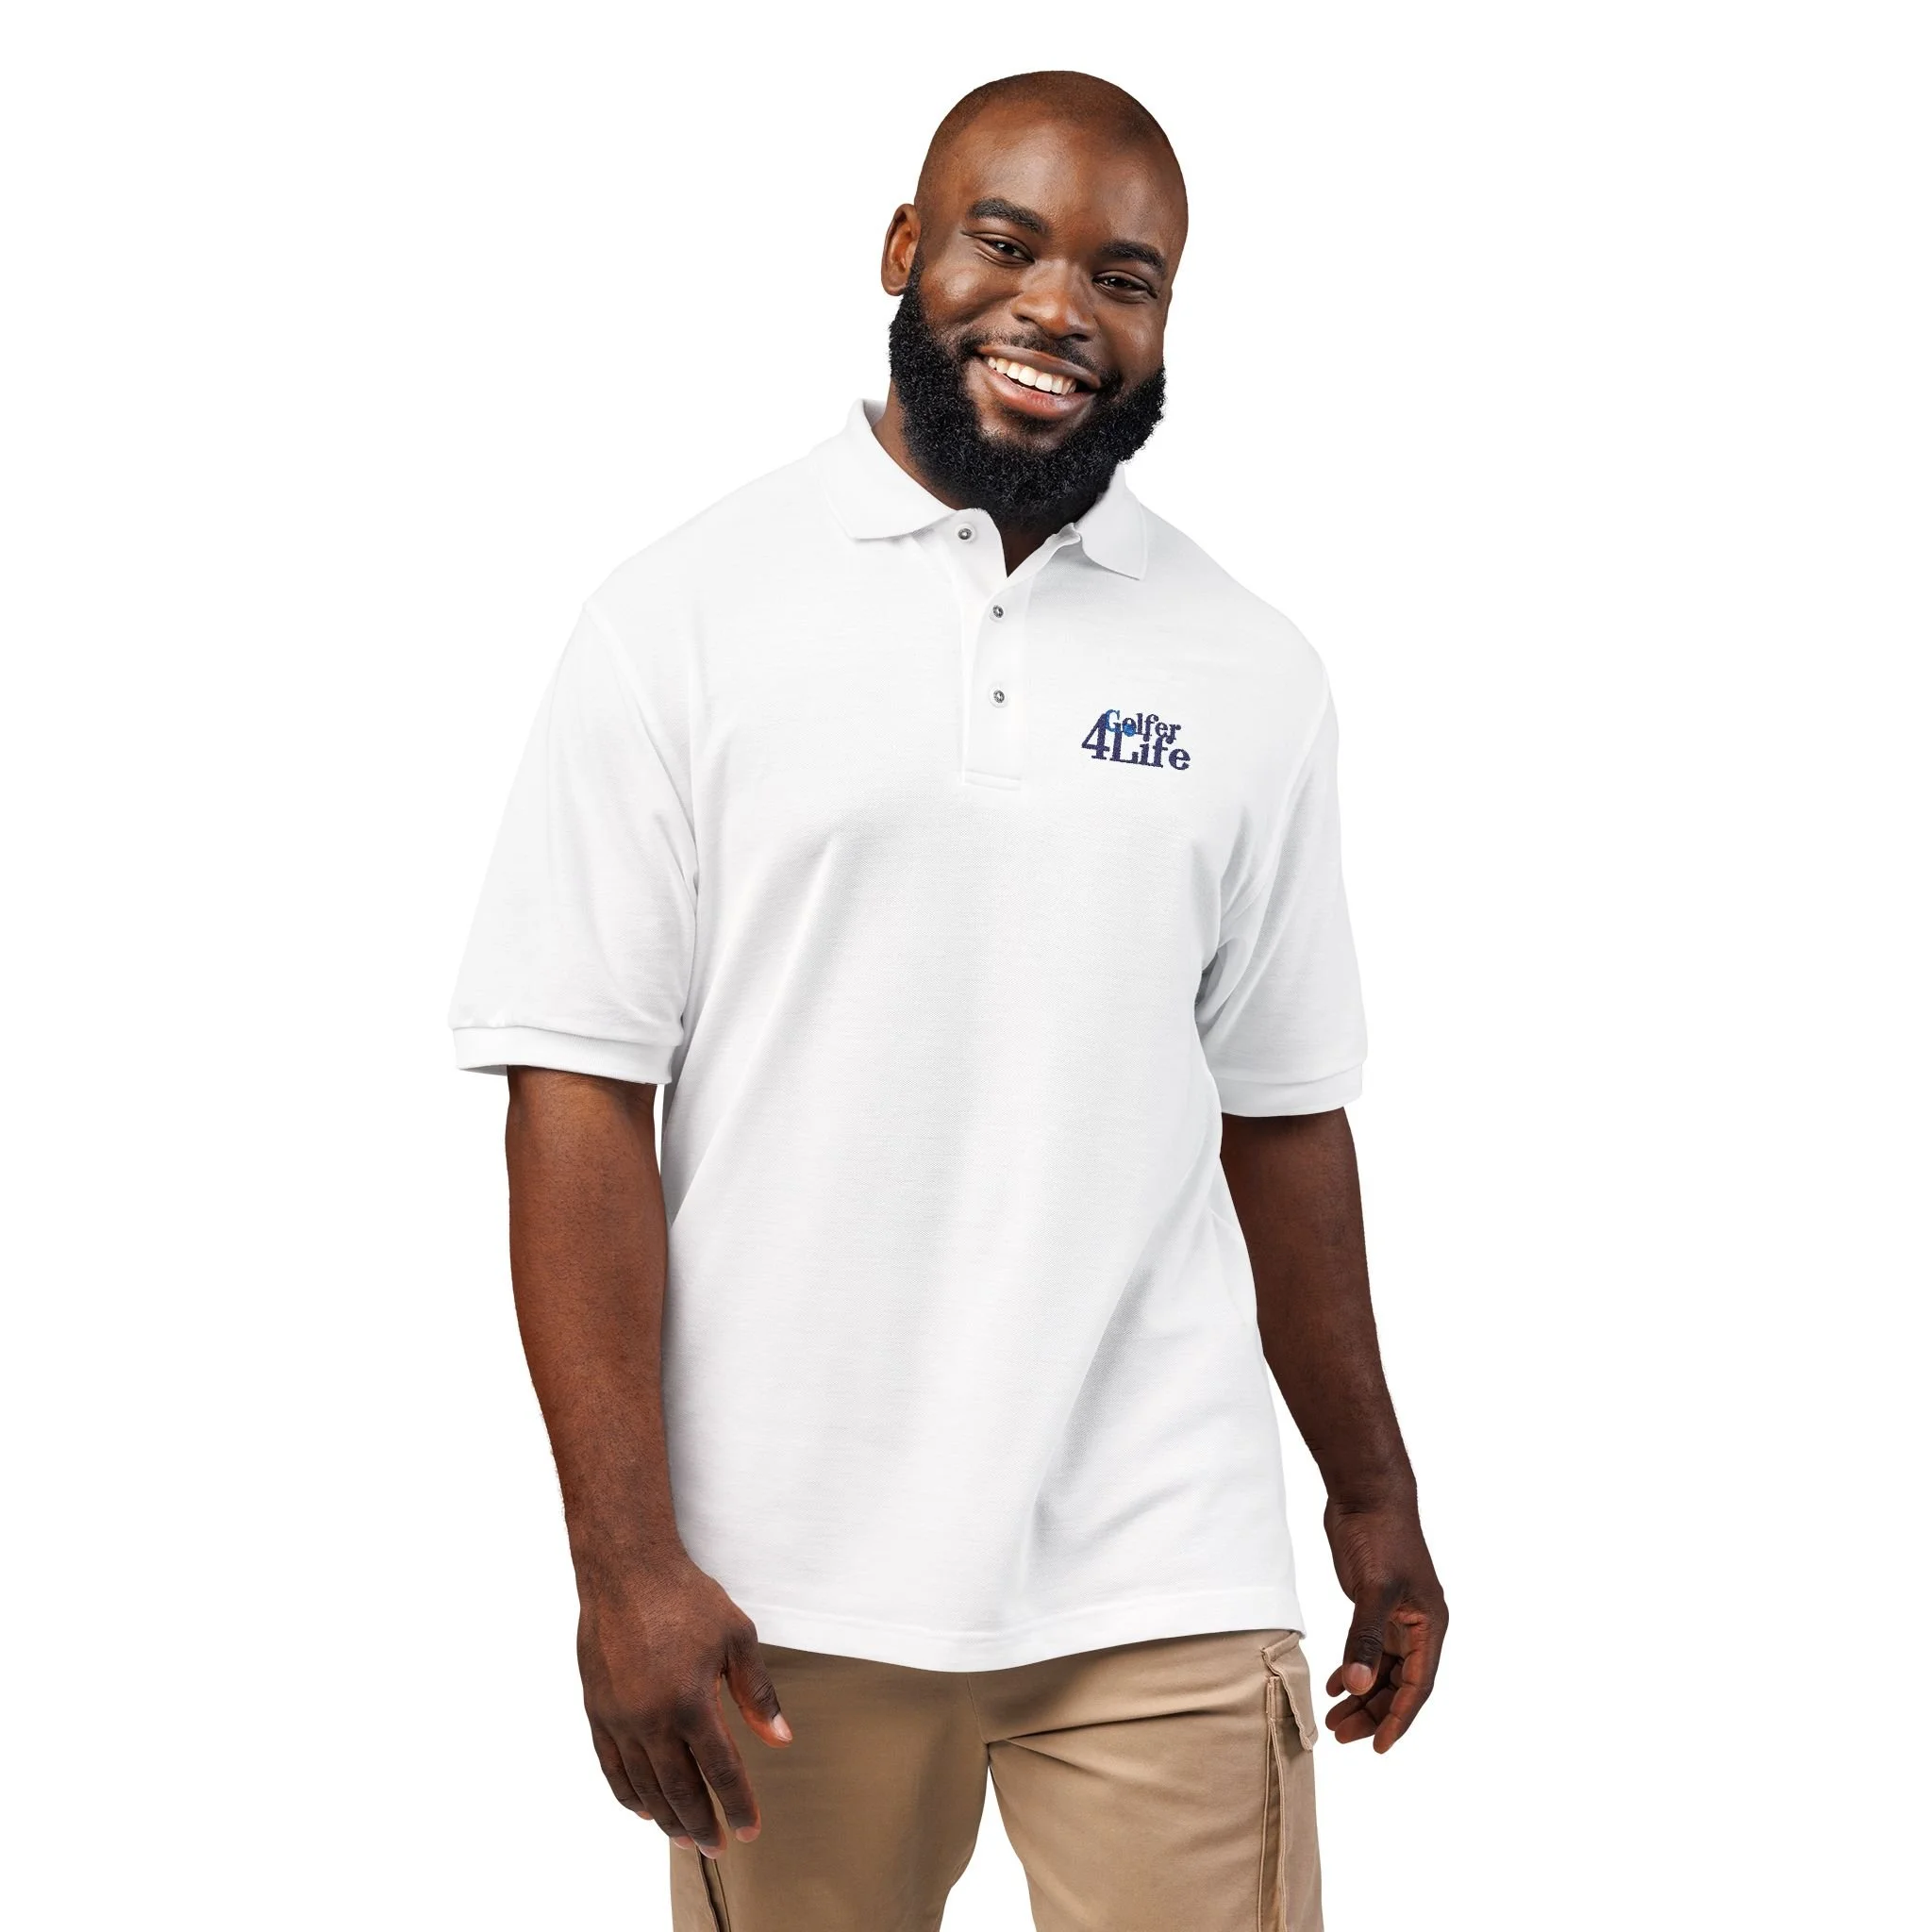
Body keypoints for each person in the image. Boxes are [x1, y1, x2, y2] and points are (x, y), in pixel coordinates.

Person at [449, 69, 1446, 1932]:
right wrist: (623, 1562)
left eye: (1125, 277)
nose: (1061, 308)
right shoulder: (680, 619)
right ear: (906, 248)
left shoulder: (1252, 669)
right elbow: (575, 1091)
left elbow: (1284, 1105)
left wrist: (1372, 1494)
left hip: (1161, 1560)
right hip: (778, 1588)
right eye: (1008, 242)